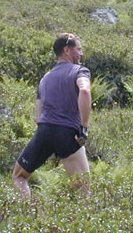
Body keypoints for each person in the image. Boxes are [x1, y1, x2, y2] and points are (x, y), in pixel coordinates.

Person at [12, 33, 92, 198]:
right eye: (79, 49)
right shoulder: (80, 71)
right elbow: (84, 90)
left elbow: (38, 114)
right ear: (67, 50)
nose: (81, 53)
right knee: (84, 193)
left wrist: (51, 143)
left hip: (44, 132)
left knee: (19, 176)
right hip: (69, 135)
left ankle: (27, 215)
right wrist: (84, 127)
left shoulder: (44, 79)